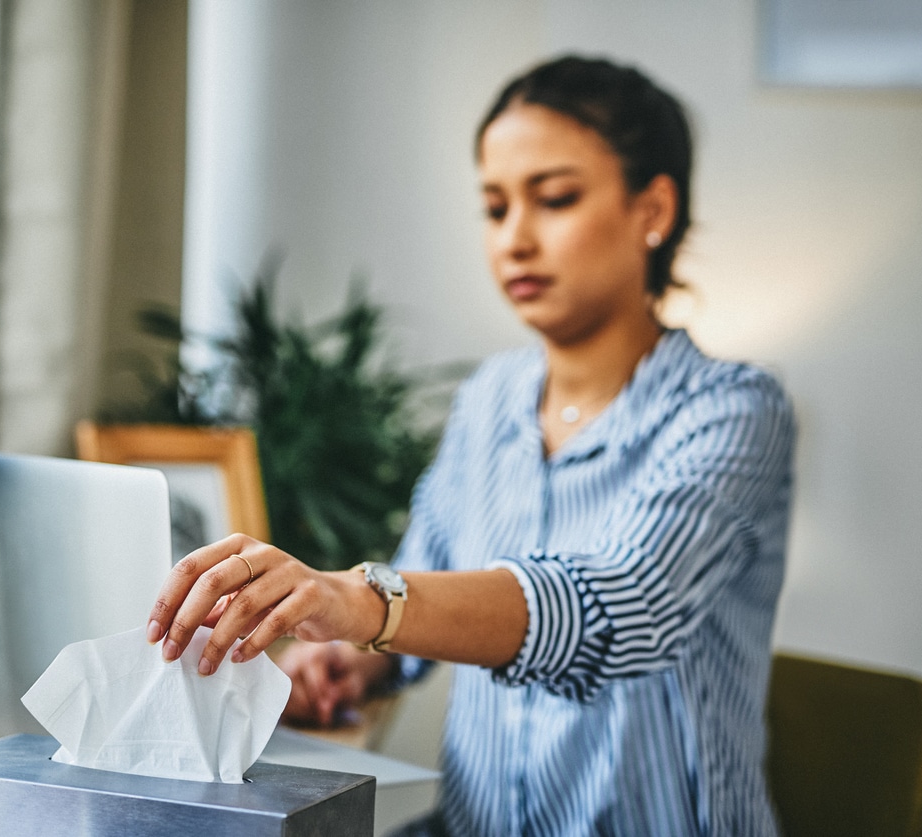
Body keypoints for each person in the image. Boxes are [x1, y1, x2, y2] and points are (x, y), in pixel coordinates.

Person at [146, 55, 794, 836]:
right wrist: (355, 656)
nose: (515, 238)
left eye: (554, 199)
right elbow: (422, 591)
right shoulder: (489, 401)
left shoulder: (734, 410)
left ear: (652, 208)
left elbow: (622, 607)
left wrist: (356, 599)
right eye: (494, 207)